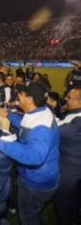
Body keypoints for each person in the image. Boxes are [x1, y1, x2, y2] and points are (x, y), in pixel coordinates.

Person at [0, 82, 59, 225]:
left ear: (30, 99)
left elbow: (35, 157)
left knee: (28, 216)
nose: (19, 95)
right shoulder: (39, 111)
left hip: (36, 183)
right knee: (31, 212)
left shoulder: (42, 128)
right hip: (35, 177)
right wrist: (9, 115)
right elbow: (25, 124)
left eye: (22, 94)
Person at [54, 86, 81, 225]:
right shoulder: (74, 114)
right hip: (75, 166)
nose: (65, 99)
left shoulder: (76, 121)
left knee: (62, 198)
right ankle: (75, 218)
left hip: (69, 167)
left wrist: (47, 112)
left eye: (69, 97)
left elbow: (55, 131)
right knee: (74, 194)